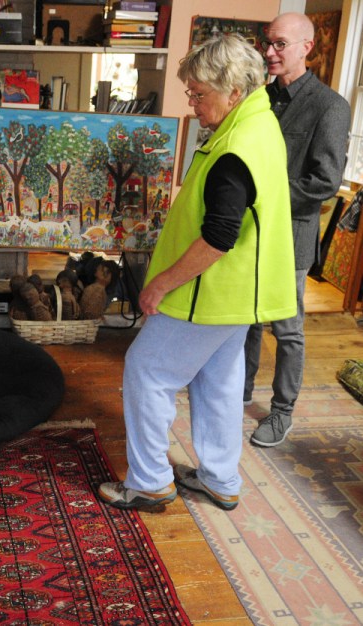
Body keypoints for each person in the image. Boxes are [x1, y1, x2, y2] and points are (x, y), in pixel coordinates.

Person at [98, 34, 296, 511]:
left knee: (147, 371)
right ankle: (220, 478)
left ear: (233, 90)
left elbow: (219, 236)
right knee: (219, 383)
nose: (192, 103)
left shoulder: (236, 147)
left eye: (198, 94)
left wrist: (160, 284)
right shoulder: (260, 124)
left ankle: (149, 481)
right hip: (237, 295)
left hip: (206, 294)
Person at [243, 13, 351, 448]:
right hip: (248, 232)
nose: (270, 52)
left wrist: (263, 194)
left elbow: (324, 183)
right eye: (268, 43)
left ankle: (281, 412)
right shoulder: (258, 98)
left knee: (285, 329)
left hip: (291, 237)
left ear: (307, 47)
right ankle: (240, 393)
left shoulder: (331, 106)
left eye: (280, 44)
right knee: (246, 322)